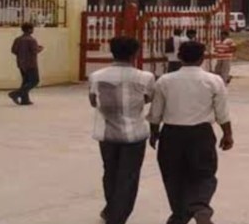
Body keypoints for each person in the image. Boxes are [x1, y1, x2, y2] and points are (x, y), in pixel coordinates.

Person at [148, 41, 233, 224]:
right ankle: (200, 206)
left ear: (179, 57)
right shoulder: (214, 80)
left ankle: (179, 214)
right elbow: (222, 112)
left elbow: (156, 112)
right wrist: (227, 134)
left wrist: (154, 132)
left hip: (172, 134)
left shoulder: (165, 80)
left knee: (173, 175)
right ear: (202, 58)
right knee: (204, 173)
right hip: (201, 134)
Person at [88, 36, 156, 224]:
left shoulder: (96, 76)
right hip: (134, 134)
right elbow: (149, 98)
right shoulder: (145, 77)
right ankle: (117, 217)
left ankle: (111, 209)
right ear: (135, 53)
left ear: (112, 52)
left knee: (110, 172)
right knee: (129, 176)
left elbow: (93, 102)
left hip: (107, 134)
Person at [9, 23, 43, 105]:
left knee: (25, 81)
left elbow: (13, 50)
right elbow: (35, 51)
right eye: (32, 28)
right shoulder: (32, 40)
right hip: (31, 64)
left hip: (21, 63)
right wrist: (40, 48)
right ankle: (16, 93)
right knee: (34, 81)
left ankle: (25, 100)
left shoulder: (18, 39)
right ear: (29, 29)